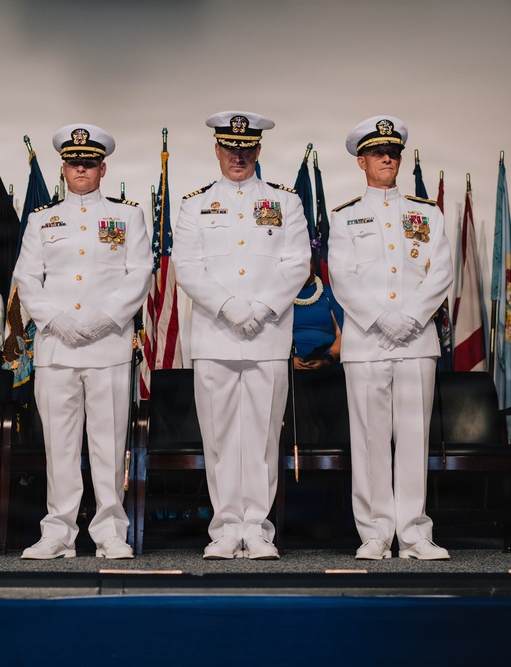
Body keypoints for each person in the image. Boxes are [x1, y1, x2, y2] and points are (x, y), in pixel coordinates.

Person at [172, 111, 310, 559]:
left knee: (264, 437)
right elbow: (187, 267)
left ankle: (259, 528)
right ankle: (226, 528)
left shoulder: (285, 202)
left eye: (246, 147)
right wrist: (230, 308)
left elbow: (296, 264)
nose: (238, 155)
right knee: (219, 437)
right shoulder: (194, 204)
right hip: (215, 335)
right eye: (230, 148)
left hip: (267, 335)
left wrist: (262, 307)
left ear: (258, 150)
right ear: (217, 149)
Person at [14, 124, 152, 560]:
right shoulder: (41, 218)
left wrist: (102, 320)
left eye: (89, 162)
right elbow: (26, 278)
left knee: (109, 444)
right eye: (74, 162)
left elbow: (139, 274)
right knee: (59, 445)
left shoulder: (127, 215)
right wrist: (54, 319)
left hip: (107, 345)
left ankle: (111, 531)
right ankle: (57, 532)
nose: (81, 168)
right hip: (56, 346)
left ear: (102, 168)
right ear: (63, 167)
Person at [327, 115, 453, 560]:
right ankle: (376, 533)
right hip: (366, 342)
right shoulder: (344, 217)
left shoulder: (427, 212)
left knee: (414, 438)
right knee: (370, 440)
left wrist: (412, 318)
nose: (387, 158)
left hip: (417, 340)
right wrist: (383, 319)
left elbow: (441, 273)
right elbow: (340, 277)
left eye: (393, 152)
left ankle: (415, 533)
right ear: (361, 161)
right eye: (379, 153)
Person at [293, 241, 343, 370]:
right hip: (287, 367)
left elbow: (341, 334)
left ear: (313, 264)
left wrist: (328, 359)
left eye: (306, 262)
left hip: (327, 363)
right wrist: (288, 361)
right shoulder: (280, 296)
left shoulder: (329, 294)